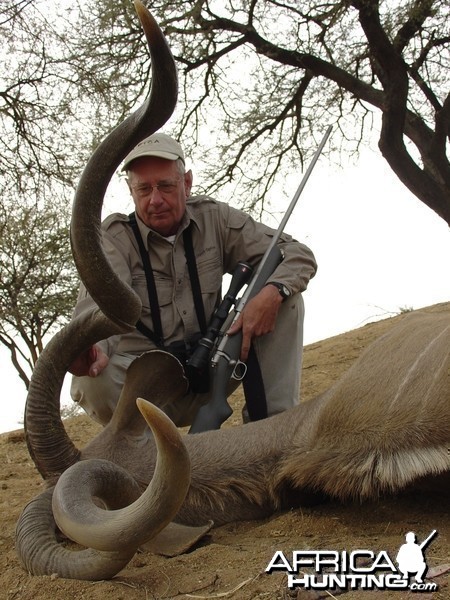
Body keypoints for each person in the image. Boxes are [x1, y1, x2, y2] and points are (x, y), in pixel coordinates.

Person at [69, 132, 317, 427]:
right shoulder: (113, 239)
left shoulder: (216, 218)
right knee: (91, 381)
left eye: (165, 186)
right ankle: (142, 459)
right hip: (147, 398)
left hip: (213, 373)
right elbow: (98, 311)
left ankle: (273, 430)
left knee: (287, 299)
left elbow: (296, 253)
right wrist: (87, 347)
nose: (156, 199)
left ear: (186, 183)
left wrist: (273, 292)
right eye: (144, 189)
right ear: (130, 190)